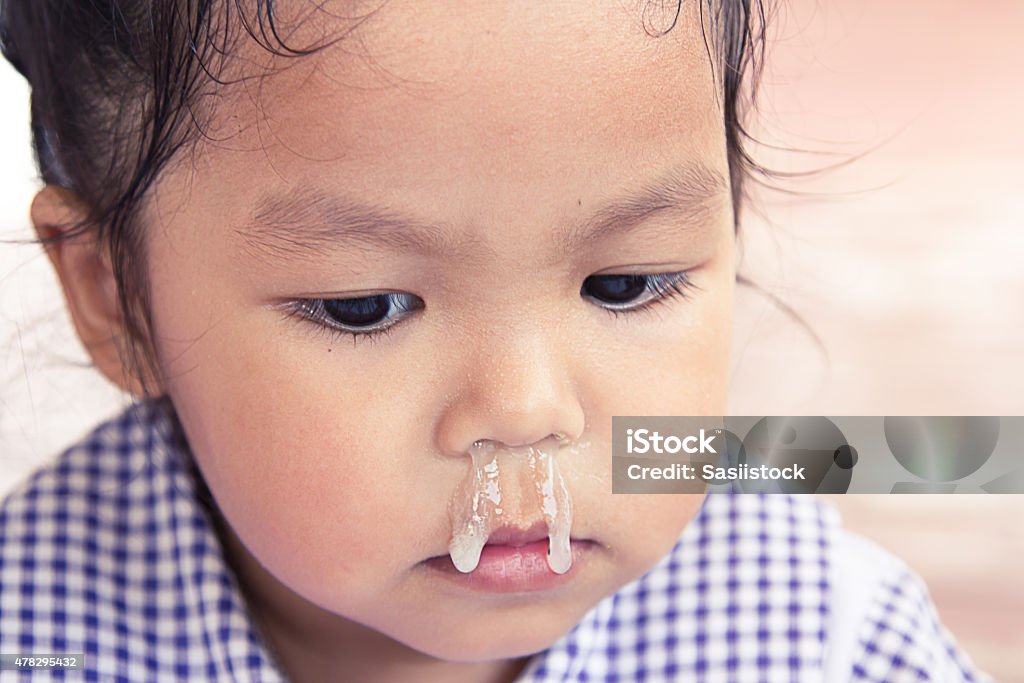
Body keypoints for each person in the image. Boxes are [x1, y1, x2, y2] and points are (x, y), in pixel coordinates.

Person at [0, 1, 991, 680]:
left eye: (623, 284)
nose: (526, 412)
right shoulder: (38, 634)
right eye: (365, 306)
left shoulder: (817, 638)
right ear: (114, 294)